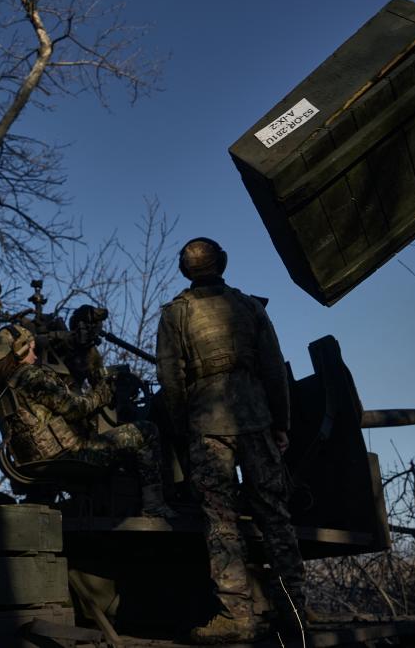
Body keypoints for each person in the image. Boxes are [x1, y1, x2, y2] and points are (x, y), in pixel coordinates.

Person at [155, 237, 305, 645]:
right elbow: (274, 368)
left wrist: (181, 425)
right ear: (222, 263)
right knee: (274, 514)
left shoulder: (175, 315)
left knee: (220, 522)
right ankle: (296, 611)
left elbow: (170, 379)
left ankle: (237, 616)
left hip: (206, 425)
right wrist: (280, 423)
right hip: (255, 417)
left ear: (185, 271)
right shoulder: (249, 306)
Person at [0, 324, 177, 519]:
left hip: (31, 461)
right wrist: (103, 393)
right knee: (146, 431)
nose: (34, 356)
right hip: (66, 456)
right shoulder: (31, 376)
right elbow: (76, 409)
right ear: (20, 349)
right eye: (32, 349)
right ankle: (154, 505)